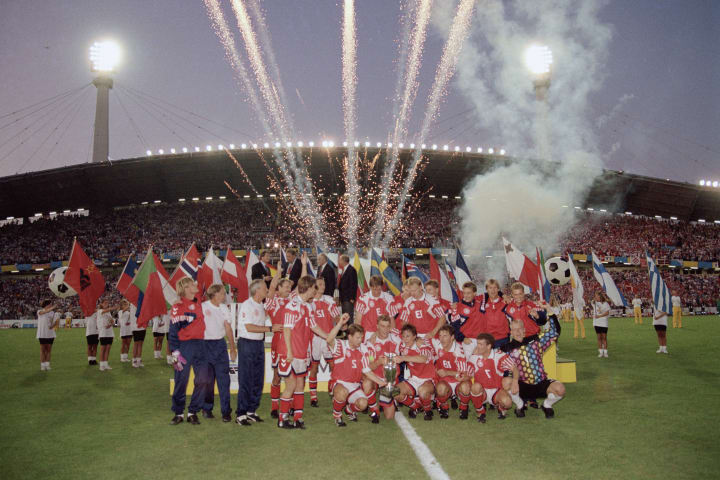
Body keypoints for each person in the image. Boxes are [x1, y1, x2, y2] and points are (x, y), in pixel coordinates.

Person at [276, 276, 329, 429]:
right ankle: (282, 419)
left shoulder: (307, 306)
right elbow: (286, 329)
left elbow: (314, 327)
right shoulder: (292, 306)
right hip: (290, 353)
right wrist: (289, 352)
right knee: (291, 385)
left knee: (300, 386)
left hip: (302, 353)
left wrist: (329, 337)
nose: (316, 290)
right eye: (314, 287)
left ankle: (298, 418)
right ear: (308, 287)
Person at [502, 307, 566, 419]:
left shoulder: (536, 341)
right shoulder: (505, 349)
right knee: (506, 382)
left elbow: (555, 332)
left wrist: (550, 313)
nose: (518, 332)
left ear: (524, 330)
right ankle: (520, 405)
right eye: (514, 330)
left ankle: (547, 405)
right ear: (510, 332)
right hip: (522, 385)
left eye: (520, 329)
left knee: (560, 389)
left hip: (541, 383)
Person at [326, 318, 387, 427]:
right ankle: (337, 415)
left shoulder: (363, 349)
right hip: (338, 382)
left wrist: (381, 382)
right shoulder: (341, 346)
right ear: (349, 337)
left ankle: (349, 410)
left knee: (363, 404)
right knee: (342, 392)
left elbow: (366, 370)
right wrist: (340, 323)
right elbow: (329, 339)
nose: (360, 340)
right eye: (358, 337)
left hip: (354, 385)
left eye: (362, 337)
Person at [169, 278, 210, 425]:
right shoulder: (177, 307)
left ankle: (193, 411)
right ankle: (178, 412)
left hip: (200, 345)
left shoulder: (198, 300)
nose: (196, 285)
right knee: (181, 380)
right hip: (183, 347)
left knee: (204, 379)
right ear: (186, 288)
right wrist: (175, 352)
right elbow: (172, 332)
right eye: (192, 284)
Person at [236, 280, 271, 425]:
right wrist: (270, 329)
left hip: (258, 344)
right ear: (257, 290)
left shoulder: (261, 306)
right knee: (246, 378)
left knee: (258, 378)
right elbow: (249, 327)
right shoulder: (247, 305)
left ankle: (251, 410)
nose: (267, 290)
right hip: (247, 343)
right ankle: (241, 414)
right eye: (265, 288)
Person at [202, 284, 237, 423]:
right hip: (205, 346)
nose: (225, 296)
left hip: (220, 346)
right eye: (223, 293)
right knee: (208, 381)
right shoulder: (203, 307)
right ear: (215, 294)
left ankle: (226, 412)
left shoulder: (224, 308)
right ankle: (207, 408)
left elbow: (228, 329)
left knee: (224, 380)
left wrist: (233, 348)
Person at [467, 333, 517, 423]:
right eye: (477, 343)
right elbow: (468, 373)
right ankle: (480, 411)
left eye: (481, 344)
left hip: (496, 390)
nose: (477, 347)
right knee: (475, 387)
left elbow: (515, 368)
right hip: (482, 391)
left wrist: (515, 381)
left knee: (508, 403)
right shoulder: (474, 357)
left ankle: (500, 407)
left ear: (489, 346)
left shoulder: (499, 355)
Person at [363, 314, 402, 422]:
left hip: (391, 377)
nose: (385, 329)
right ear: (377, 326)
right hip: (376, 377)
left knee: (389, 417)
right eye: (382, 326)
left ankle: (391, 395)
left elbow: (410, 338)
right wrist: (378, 362)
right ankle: (374, 410)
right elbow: (370, 365)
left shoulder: (396, 339)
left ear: (390, 327)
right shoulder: (370, 343)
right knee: (366, 384)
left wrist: (418, 340)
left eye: (387, 326)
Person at [393, 324, 436, 421]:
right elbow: (392, 330)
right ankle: (416, 406)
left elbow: (423, 359)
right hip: (414, 379)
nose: (405, 339)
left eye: (408, 336)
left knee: (422, 391)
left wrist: (403, 357)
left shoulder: (422, 345)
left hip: (428, 379)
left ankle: (427, 410)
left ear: (414, 336)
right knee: (394, 392)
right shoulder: (402, 346)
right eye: (403, 336)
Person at [309, 276, 339, 407]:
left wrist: (341, 323)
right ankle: (313, 397)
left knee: (334, 366)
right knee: (314, 367)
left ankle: (333, 392)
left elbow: (336, 316)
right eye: (320, 284)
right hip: (314, 339)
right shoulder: (309, 302)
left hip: (328, 338)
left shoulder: (329, 300)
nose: (323, 286)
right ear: (314, 286)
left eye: (324, 284)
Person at [430, 325, 471, 420]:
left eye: (445, 336)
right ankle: (444, 407)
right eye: (440, 336)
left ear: (452, 337)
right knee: (440, 388)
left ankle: (464, 407)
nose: (442, 339)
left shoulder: (459, 351)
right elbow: (426, 339)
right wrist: (419, 341)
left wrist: (448, 373)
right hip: (445, 382)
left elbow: (463, 375)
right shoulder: (437, 344)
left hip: (458, 381)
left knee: (466, 387)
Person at [266, 274, 292, 418]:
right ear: (279, 288)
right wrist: (278, 273)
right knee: (277, 375)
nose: (289, 289)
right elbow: (270, 289)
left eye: (290, 286)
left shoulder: (293, 301)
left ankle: (291, 406)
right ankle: (274, 407)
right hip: (278, 341)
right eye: (286, 286)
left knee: (292, 376)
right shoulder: (273, 302)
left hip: (292, 342)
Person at [355, 275, 398, 340]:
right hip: (368, 333)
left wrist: (392, 337)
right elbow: (358, 321)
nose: (377, 292)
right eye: (374, 289)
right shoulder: (363, 299)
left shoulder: (389, 298)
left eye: (379, 289)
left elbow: (392, 320)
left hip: (384, 334)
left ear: (382, 287)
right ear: (370, 287)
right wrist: (358, 337)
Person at [450, 281, 485, 348]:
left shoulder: (480, 302)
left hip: (482, 340)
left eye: (468, 293)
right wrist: (462, 338)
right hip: (468, 340)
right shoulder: (457, 307)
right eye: (464, 293)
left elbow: (492, 294)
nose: (466, 295)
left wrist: (504, 296)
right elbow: (454, 326)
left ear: (474, 293)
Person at [96, 301, 119, 371]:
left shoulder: (108, 312)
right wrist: (114, 307)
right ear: (101, 304)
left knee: (108, 349)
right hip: (103, 332)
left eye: (107, 303)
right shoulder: (100, 311)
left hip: (110, 332)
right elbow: (105, 311)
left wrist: (111, 324)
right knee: (103, 349)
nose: (106, 304)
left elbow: (112, 321)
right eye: (105, 303)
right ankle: (101, 365)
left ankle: (106, 364)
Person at [37, 300, 58, 371]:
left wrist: (52, 326)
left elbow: (55, 322)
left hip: (50, 334)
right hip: (42, 333)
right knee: (42, 350)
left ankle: (47, 364)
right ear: (46, 305)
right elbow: (45, 312)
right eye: (50, 304)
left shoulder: (53, 313)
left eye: (51, 304)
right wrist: (53, 307)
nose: (51, 305)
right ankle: (42, 365)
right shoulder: (39, 311)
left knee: (48, 350)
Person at [337, 254, 358, 324]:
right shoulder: (345, 270)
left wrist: (352, 298)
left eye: (340, 260)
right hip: (344, 298)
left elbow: (353, 285)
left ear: (344, 260)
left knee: (349, 318)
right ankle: (346, 334)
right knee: (345, 318)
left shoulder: (351, 270)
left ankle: (350, 333)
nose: (339, 261)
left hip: (348, 299)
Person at [592, 292, 611, 358]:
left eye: (597, 296)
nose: (595, 297)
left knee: (604, 338)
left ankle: (605, 352)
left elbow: (607, 312)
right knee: (599, 338)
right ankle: (600, 352)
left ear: (600, 297)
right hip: (596, 323)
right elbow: (592, 301)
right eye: (595, 296)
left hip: (604, 323)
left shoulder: (606, 304)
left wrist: (599, 316)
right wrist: (594, 299)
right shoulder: (594, 303)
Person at [131, 303, 146, 368]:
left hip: (142, 326)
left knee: (140, 343)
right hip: (136, 326)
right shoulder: (133, 304)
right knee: (136, 343)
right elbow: (135, 315)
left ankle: (139, 360)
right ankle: (134, 360)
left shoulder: (142, 303)